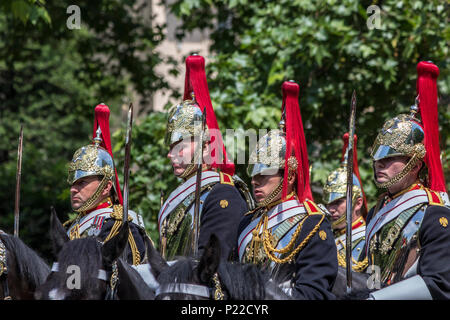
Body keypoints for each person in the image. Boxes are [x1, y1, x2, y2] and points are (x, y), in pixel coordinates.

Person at [237, 80, 338, 300]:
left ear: (289, 176)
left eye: (264, 176)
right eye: (254, 175)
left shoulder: (312, 223)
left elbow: (313, 293)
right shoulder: (247, 223)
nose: (255, 182)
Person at [365, 61, 450, 299]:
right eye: (378, 158)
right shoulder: (377, 209)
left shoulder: (434, 212)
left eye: (391, 158)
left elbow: (438, 283)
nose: (379, 164)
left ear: (416, 164)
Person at [158, 54, 253, 261]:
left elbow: (211, 267)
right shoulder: (182, 195)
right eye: (171, 146)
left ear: (206, 146)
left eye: (180, 146)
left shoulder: (223, 193)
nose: (171, 154)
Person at [64, 103, 149, 265]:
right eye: (73, 183)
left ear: (106, 187)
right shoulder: (70, 228)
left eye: (82, 182)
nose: (74, 189)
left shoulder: (119, 224)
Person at [323, 133, 368, 272]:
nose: (331, 209)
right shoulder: (328, 236)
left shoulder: (368, 239)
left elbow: (375, 284)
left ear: (358, 203)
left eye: (337, 202)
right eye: (328, 203)